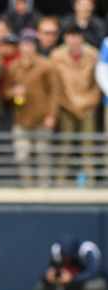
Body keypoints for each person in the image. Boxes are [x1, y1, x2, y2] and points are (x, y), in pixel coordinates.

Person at [4, 30, 57, 186]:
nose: (27, 47)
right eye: (24, 44)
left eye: (31, 44)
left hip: (42, 117)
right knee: (22, 155)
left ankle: (44, 187)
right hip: (21, 119)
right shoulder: (13, 66)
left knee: (43, 155)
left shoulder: (46, 65)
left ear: (35, 46)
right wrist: (13, 92)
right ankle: (27, 187)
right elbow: (5, 91)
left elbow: (54, 93)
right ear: (20, 46)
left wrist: (51, 116)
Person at [51, 24, 100, 186]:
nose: (74, 40)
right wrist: (69, 104)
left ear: (82, 38)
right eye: (70, 36)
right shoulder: (56, 55)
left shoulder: (93, 54)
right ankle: (60, 183)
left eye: (77, 36)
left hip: (88, 107)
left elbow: (98, 83)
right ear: (65, 38)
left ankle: (91, 183)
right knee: (65, 147)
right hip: (66, 106)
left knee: (88, 147)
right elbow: (55, 86)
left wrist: (88, 102)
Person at [39, 237, 106, 290]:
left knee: (94, 287)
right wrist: (47, 275)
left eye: (68, 256)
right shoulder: (56, 251)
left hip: (83, 286)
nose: (66, 259)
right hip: (67, 287)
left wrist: (72, 278)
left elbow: (93, 273)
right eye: (64, 256)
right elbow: (49, 271)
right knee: (41, 287)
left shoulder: (87, 249)